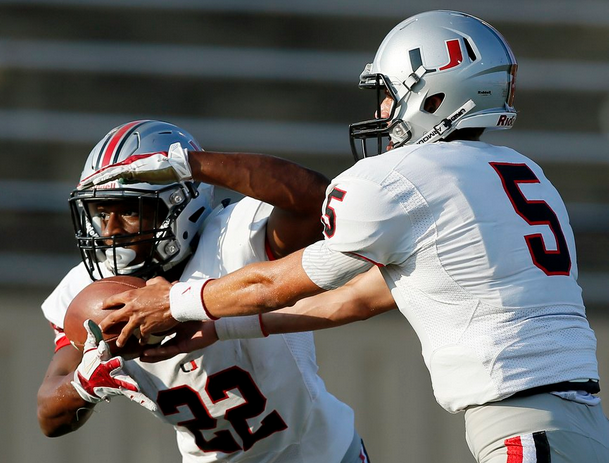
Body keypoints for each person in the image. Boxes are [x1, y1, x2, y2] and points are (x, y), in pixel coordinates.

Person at [91, 11, 609, 463]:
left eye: (388, 93)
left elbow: (276, 281)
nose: (383, 111)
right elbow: (360, 298)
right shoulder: (520, 172)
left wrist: (176, 302)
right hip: (572, 418)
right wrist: (222, 330)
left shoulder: (405, 178)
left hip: (524, 423)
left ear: (432, 90)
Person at [37, 120, 371, 463]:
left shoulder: (233, 240)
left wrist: (189, 163)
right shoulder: (84, 292)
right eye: (101, 212)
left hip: (319, 453)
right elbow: (49, 416)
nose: (111, 232)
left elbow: (319, 200)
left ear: (182, 205)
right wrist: (82, 386)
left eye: (130, 211)